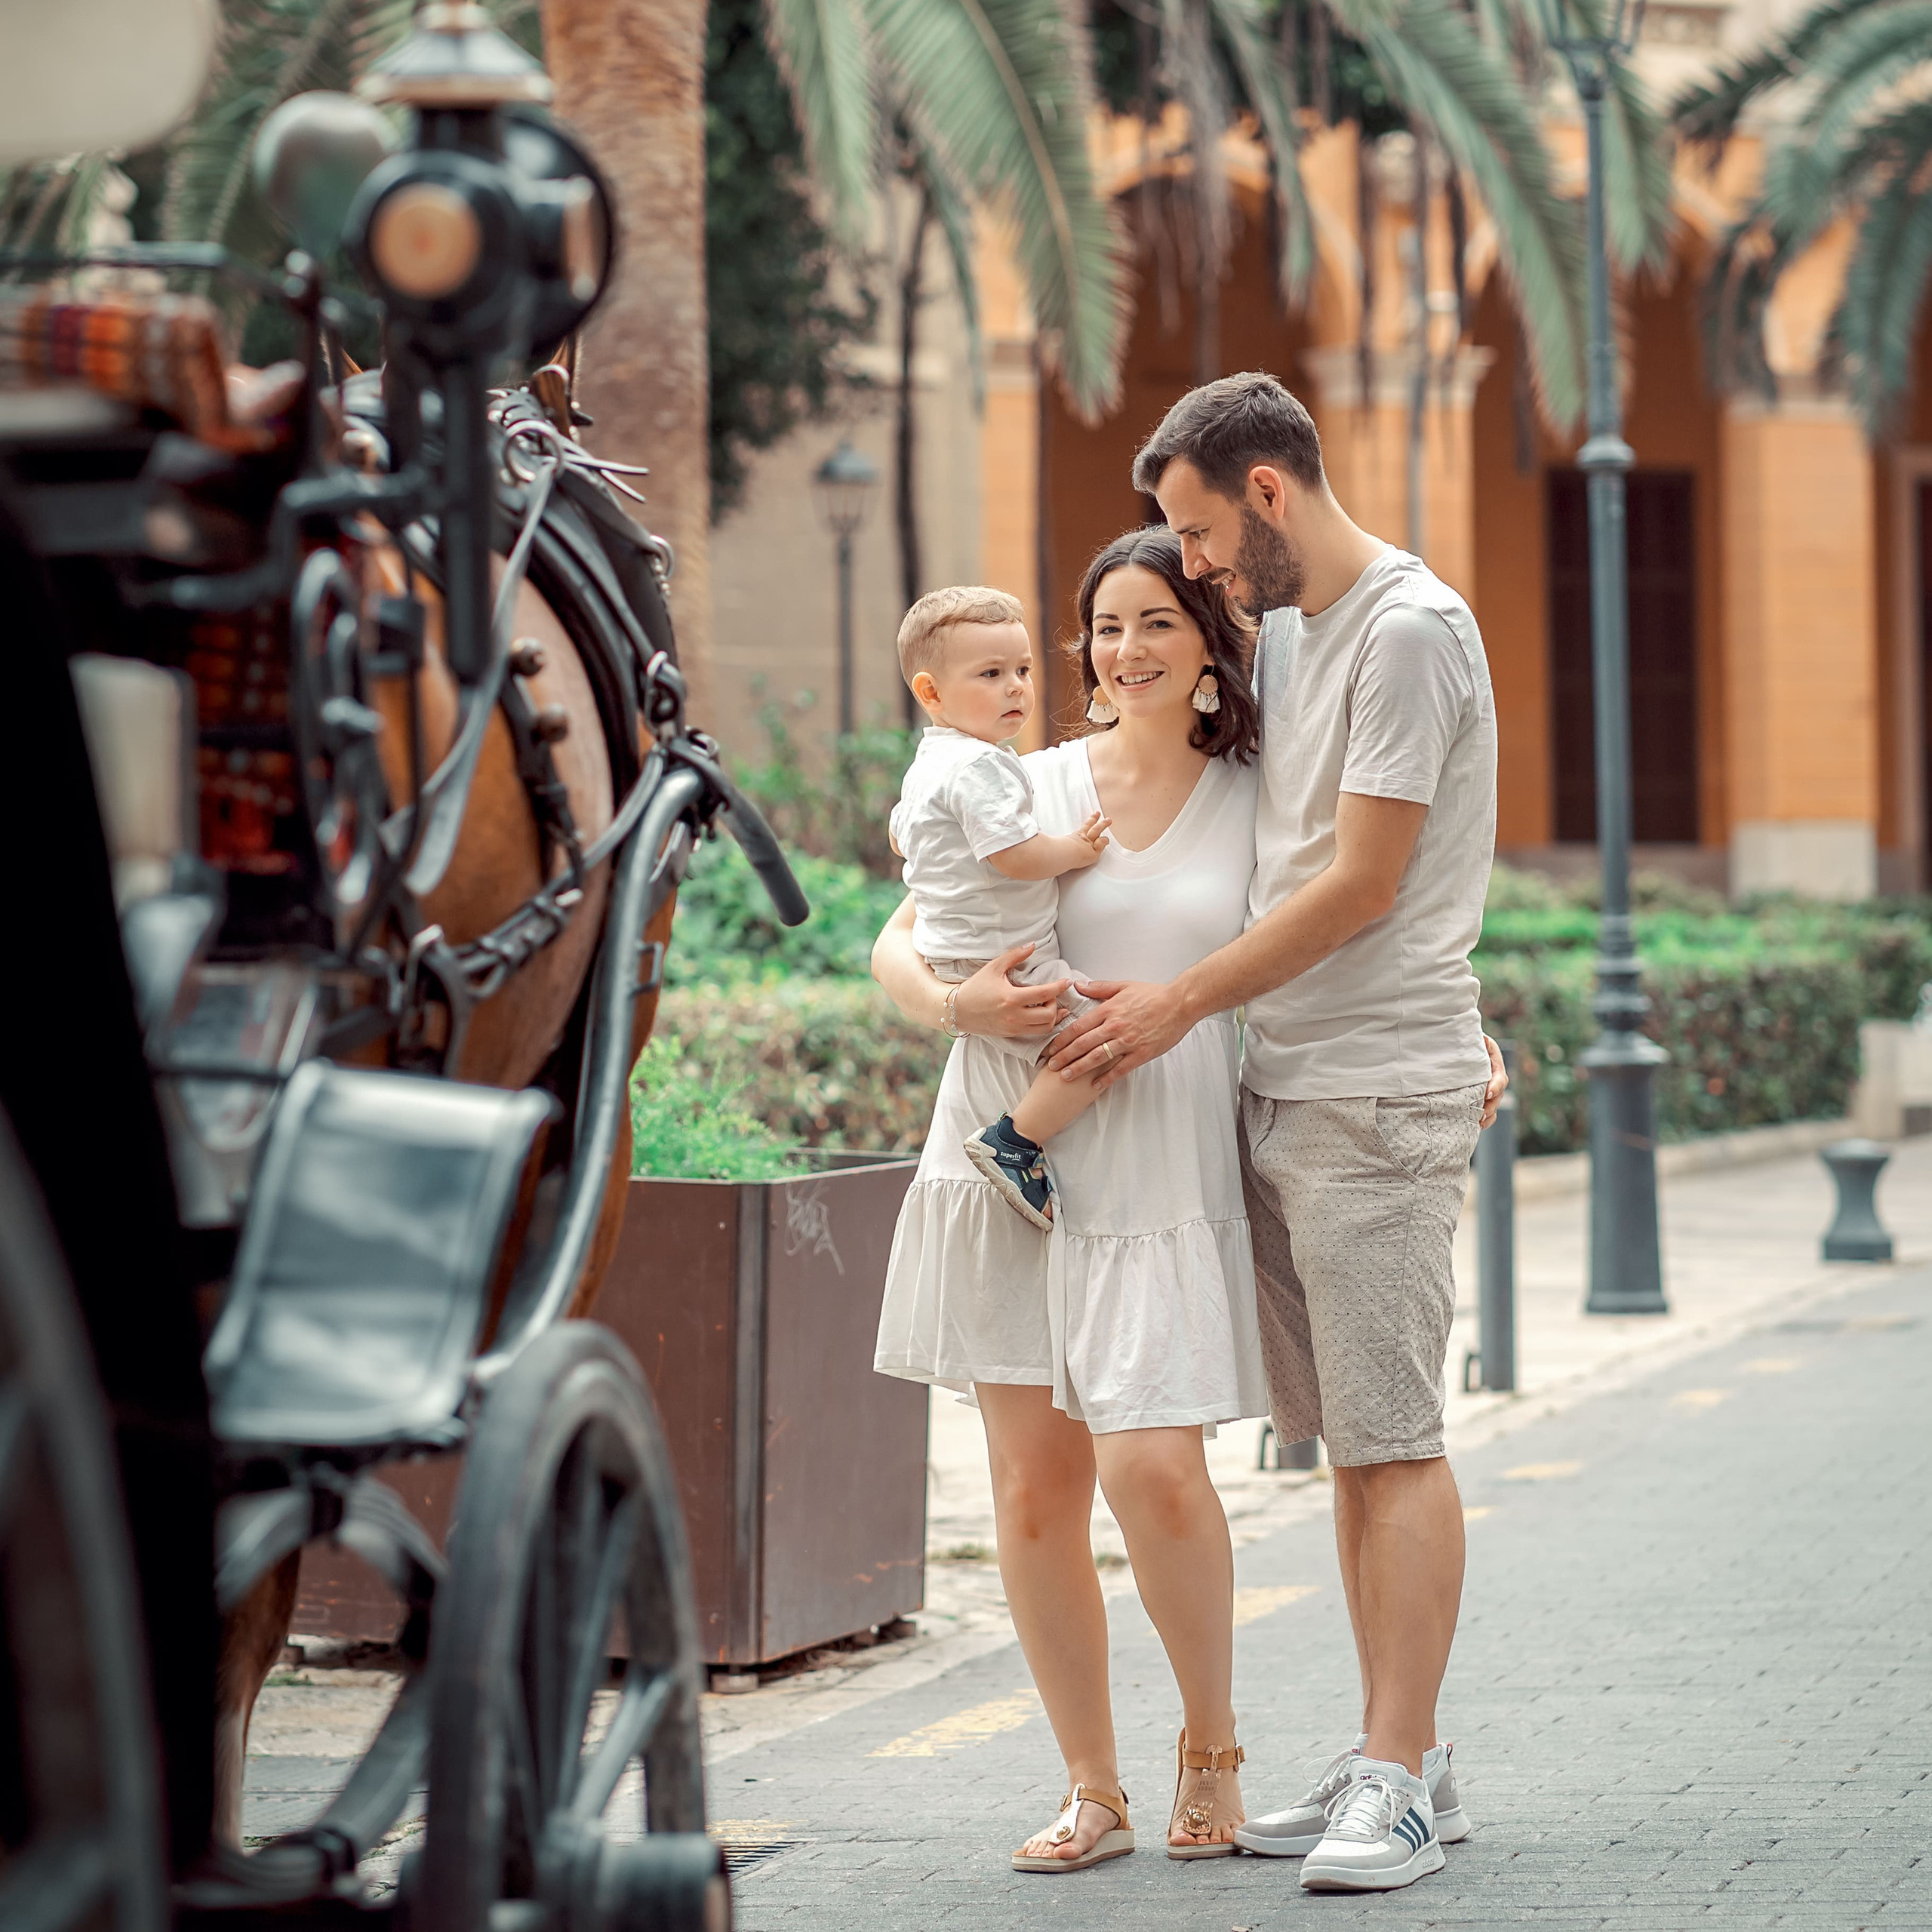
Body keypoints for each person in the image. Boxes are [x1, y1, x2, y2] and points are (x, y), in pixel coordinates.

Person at [1045, 370, 1500, 1894]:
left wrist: (1177, 1003)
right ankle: (1403, 1753)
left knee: (1392, 1436)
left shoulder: (1411, 632)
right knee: (1346, 1452)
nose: (1192, 573)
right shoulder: (1298, 632)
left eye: (1195, 534)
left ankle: (1399, 1779)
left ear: (1263, 492)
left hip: (1371, 1088)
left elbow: (1366, 881)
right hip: (1298, 1081)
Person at [872, 528, 1271, 1869]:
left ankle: (1208, 1747)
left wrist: (1468, 1038)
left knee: (1154, 1466)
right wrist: (952, 999)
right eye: (1104, 627)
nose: (1126, 650)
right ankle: (1089, 1786)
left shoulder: (1258, 793)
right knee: (1033, 1490)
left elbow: (1356, 930)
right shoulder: (1018, 777)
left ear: (1210, 643)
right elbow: (901, 931)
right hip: (1005, 1141)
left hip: (1158, 1148)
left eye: (1157, 622)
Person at [884, 585, 1113, 1229]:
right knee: (1097, 1045)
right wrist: (1073, 850)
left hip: (953, 952)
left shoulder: (930, 762)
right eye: (991, 674)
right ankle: (1015, 1142)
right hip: (1008, 958)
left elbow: (901, 835)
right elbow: (1013, 855)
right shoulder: (981, 767)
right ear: (931, 693)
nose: (1016, 688)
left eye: (1022, 670)